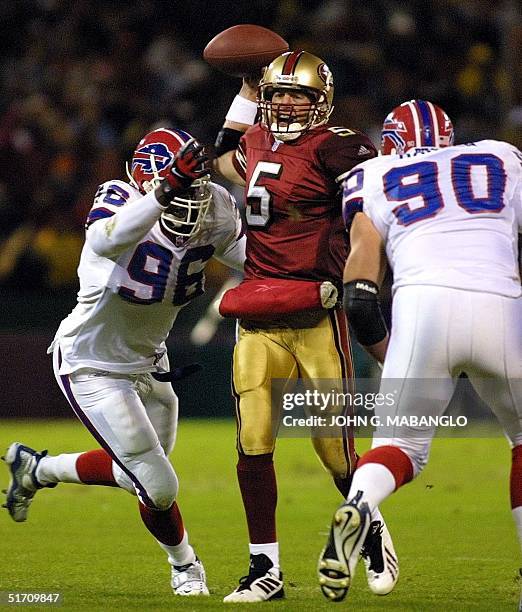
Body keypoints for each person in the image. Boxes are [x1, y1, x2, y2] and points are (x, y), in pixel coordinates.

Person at [3, 127, 245, 597]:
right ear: (147, 182)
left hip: (151, 360)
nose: (188, 201)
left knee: (138, 473)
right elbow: (106, 240)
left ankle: (36, 469)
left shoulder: (214, 205)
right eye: (176, 188)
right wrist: (163, 192)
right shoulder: (118, 198)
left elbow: (252, 260)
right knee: (158, 487)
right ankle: (185, 565)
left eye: (191, 189)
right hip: (93, 364)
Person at [213, 49, 398, 602]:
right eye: (278, 94)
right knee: (253, 438)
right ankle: (264, 569)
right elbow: (223, 157)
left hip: (319, 315)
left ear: (323, 101)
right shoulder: (255, 142)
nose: (289, 104)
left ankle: (369, 524)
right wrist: (245, 90)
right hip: (260, 317)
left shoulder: (341, 145)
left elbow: (374, 201)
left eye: (300, 95)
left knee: (334, 451)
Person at [318, 99, 522, 601]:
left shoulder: (375, 175)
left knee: (401, 447)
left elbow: (360, 293)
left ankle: (360, 505)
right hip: (499, 300)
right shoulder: (501, 158)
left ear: (389, 143)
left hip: (421, 306)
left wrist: (392, 351)